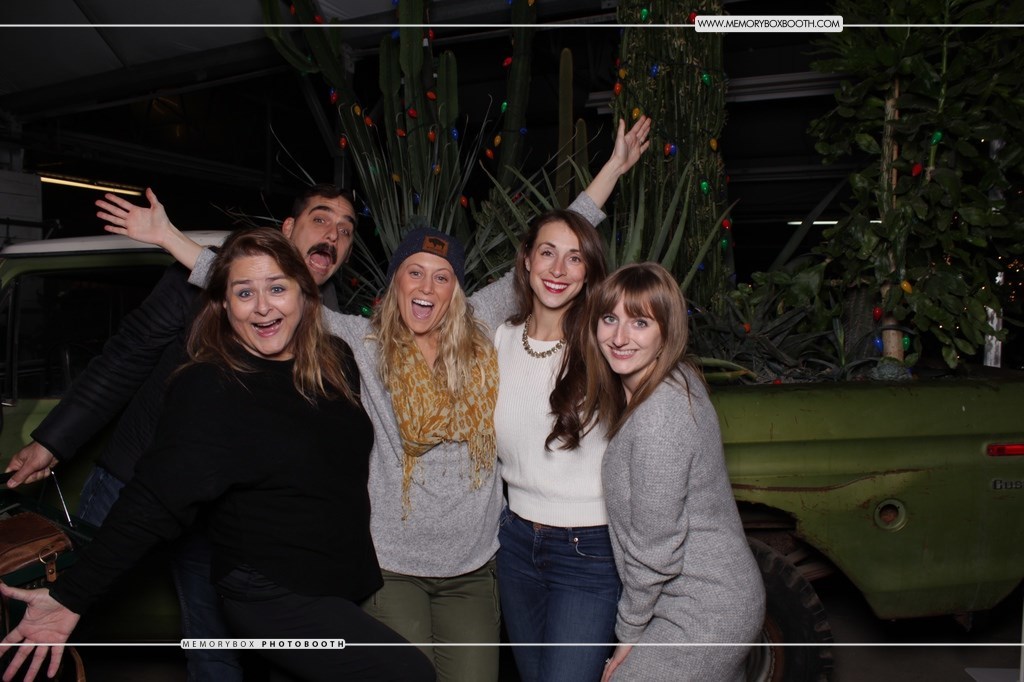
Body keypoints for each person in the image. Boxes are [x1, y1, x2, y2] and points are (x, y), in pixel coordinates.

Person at [104, 117, 650, 682]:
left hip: (475, 564)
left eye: (442, 277)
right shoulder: (360, 343)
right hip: (392, 566)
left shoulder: (481, 324)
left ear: (458, 291)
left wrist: (612, 169)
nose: (428, 287)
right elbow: (264, 292)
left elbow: (554, 256)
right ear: (395, 283)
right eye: (415, 273)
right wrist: (169, 238)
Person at [0, 227, 435, 682]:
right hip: (272, 594)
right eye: (244, 292)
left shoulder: (335, 360)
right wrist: (71, 596)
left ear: (304, 295)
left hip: (336, 582)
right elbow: (153, 503)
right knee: (409, 674)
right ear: (225, 305)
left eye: (277, 288)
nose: (263, 306)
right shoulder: (211, 385)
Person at [492, 114, 651, 682]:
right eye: (547, 254)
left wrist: (614, 168)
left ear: (589, 272)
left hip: (590, 550)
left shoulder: (608, 346)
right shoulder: (497, 338)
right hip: (514, 543)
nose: (558, 269)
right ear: (526, 261)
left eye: (575, 257)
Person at [580, 263, 765, 682]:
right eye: (609, 318)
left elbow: (655, 545)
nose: (619, 337)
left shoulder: (660, 413)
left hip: (704, 609)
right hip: (705, 597)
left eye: (640, 322)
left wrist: (628, 632)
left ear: (667, 331)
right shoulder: (672, 381)